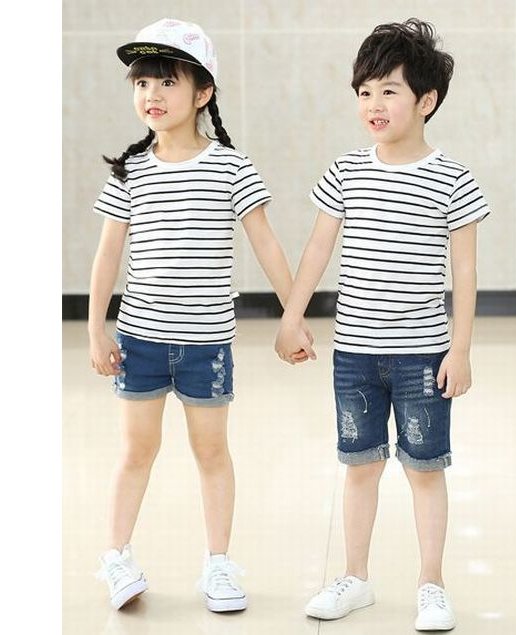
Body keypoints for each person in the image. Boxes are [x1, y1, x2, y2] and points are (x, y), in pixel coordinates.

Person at [275, 18, 490, 631]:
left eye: (389, 90)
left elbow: (465, 273)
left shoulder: (453, 179)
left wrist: (461, 350)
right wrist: (291, 318)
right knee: (360, 465)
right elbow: (318, 250)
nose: (373, 103)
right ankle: (356, 578)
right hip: (355, 355)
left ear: (427, 101)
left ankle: (432, 584)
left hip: (424, 355)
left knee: (425, 470)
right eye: (365, 91)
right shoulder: (346, 170)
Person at [89, 17, 309, 612]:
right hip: (139, 341)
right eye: (142, 83)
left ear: (203, 92)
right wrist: (95, 329)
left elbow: (266, 243)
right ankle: (117, 557)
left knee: (212, 453)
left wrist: (292, 314)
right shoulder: (130, 171)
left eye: (167, 82)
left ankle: (218, 564)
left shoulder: (231, 167)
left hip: (206, 344)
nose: (152, 95)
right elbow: (107, 255)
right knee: (136, 452)